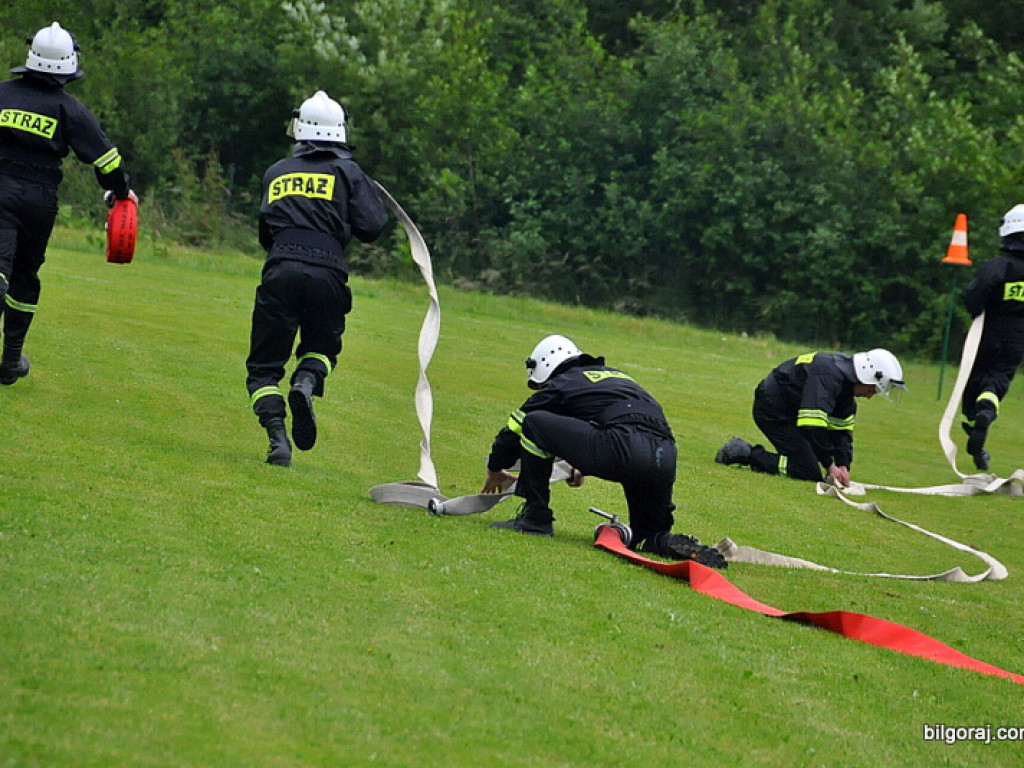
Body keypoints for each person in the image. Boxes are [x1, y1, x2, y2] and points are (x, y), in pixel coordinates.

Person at [481, 334, 727, 568]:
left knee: (534, 423)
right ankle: (663, 540)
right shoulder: (617, 378)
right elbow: (599, 423)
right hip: (664, 455)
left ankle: (535, 518)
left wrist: (495, 467)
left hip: (623, 447)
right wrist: (579, 462)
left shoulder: (562, 382)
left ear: (547, 367)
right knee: (647, 535)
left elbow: (514, 429)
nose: (542, 389)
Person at [246, 90, 388, 467]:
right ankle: (305, 382)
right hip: (328, 272)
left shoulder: (276, 171)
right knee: (321, 348)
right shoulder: (348, 172)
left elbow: (265, 233)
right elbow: (373, 227)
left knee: (263, 369)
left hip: (280, 269)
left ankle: (278, 440)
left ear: (299, 128)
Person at [0, 22, 138, 386]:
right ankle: (11, 361)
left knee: (0, 267)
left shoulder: (2, 94)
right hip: (40, 201)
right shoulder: (70, 109)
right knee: (25, 277)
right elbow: (108, 162)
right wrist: (121, 192)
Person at [715, 349, 906, 486]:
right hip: (773, 410)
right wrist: (829, 465)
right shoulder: (827, 376)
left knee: (809, 464)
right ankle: (743, 452)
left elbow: (842, 430)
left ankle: (751, 454)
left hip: (793, 411)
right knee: (806, 470)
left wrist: (843, 465)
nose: (870, 396)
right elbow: (812, 425)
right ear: (865, 376)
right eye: (872, 389)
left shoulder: (845, 388)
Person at [960, 204, 1024, 471]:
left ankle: (974, 421)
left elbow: (974, 295)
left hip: (985, 334)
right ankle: (986, 409)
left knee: (974, 380)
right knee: (997, 380)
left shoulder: (998, 266)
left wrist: (977, 309)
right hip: (1017, 338)